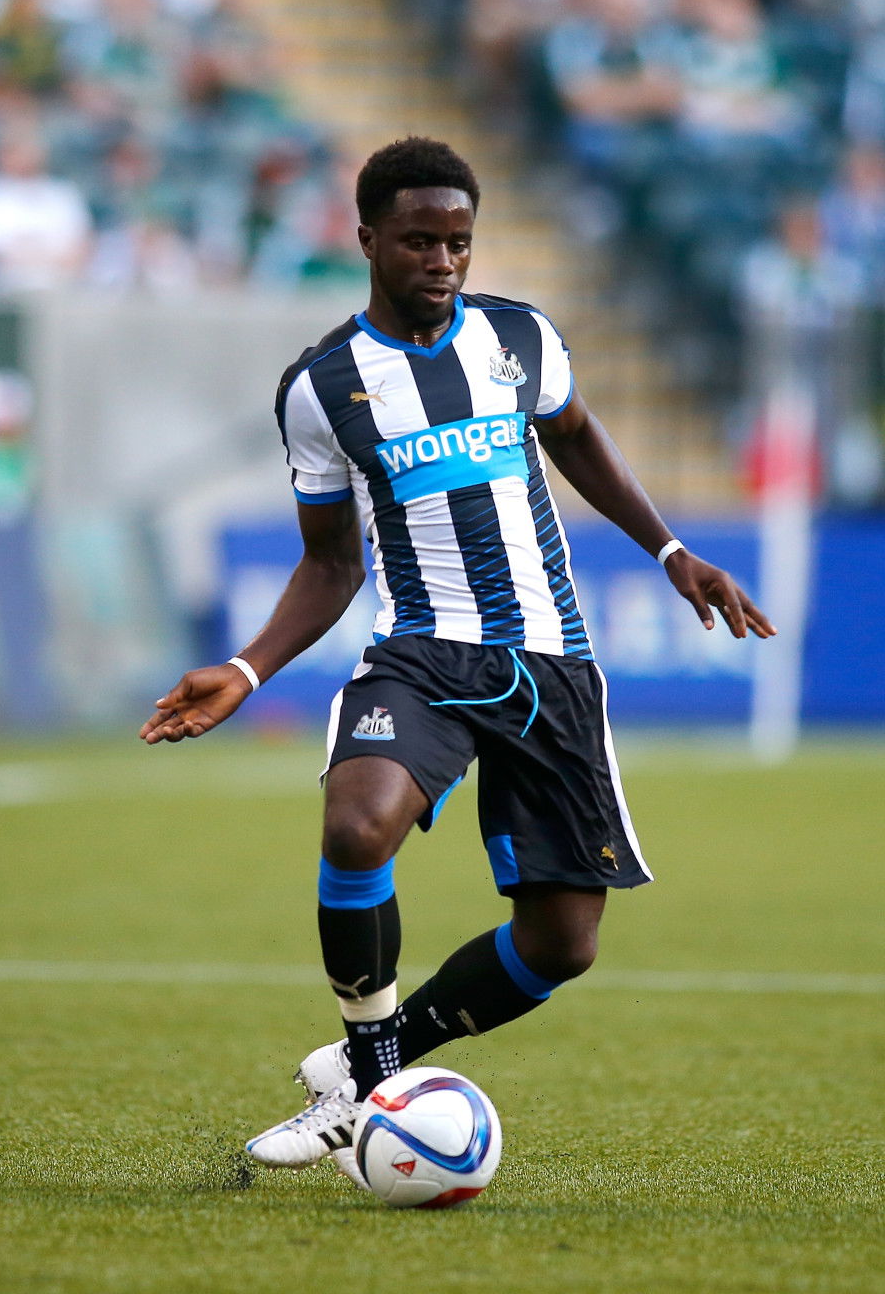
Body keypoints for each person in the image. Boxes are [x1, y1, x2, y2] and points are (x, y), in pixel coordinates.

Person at [139, 136, 775, 1187]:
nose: (442, 260)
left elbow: (572, 434)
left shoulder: (521, 337)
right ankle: (378, 1068)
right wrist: (246, 672)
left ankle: (356, 1073)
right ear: (368, 240)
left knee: (564, 942)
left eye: (459, 243)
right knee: (356, 822)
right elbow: (333, 558)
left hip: (550, 664)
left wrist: (669, 549)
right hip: (419, 652)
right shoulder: (323, 385)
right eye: (420, 241)